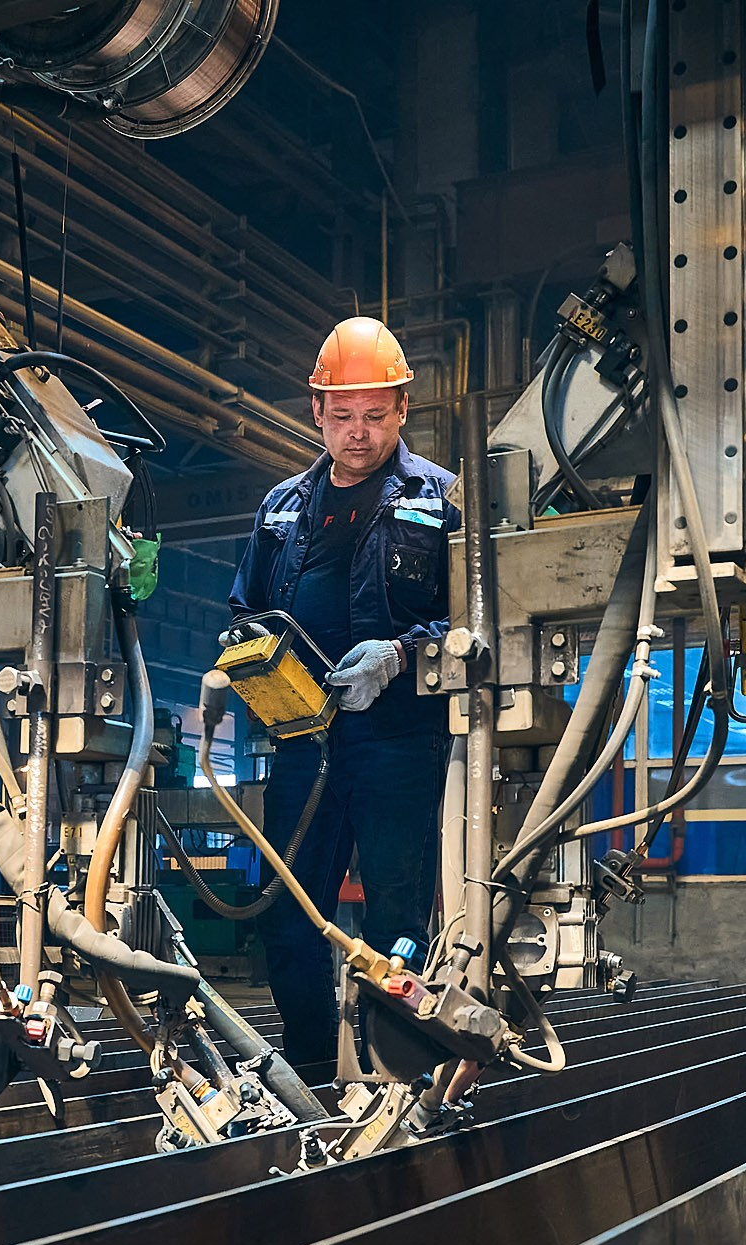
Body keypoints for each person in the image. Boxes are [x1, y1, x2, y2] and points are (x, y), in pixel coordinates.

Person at [226, 316, 459, 1066]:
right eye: (344, 415)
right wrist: (239, 658)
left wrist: (399, 654)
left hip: (399, 745)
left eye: (375, 415)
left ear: (400, 411)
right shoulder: (280, 509)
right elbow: (246, 611)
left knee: (397, 922)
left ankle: (403, 1075)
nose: (358, 433)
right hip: (302, 743)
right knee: (290, 920)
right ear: (317, 411)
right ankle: (314, 1075)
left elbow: (477, 623)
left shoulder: (443, 500)